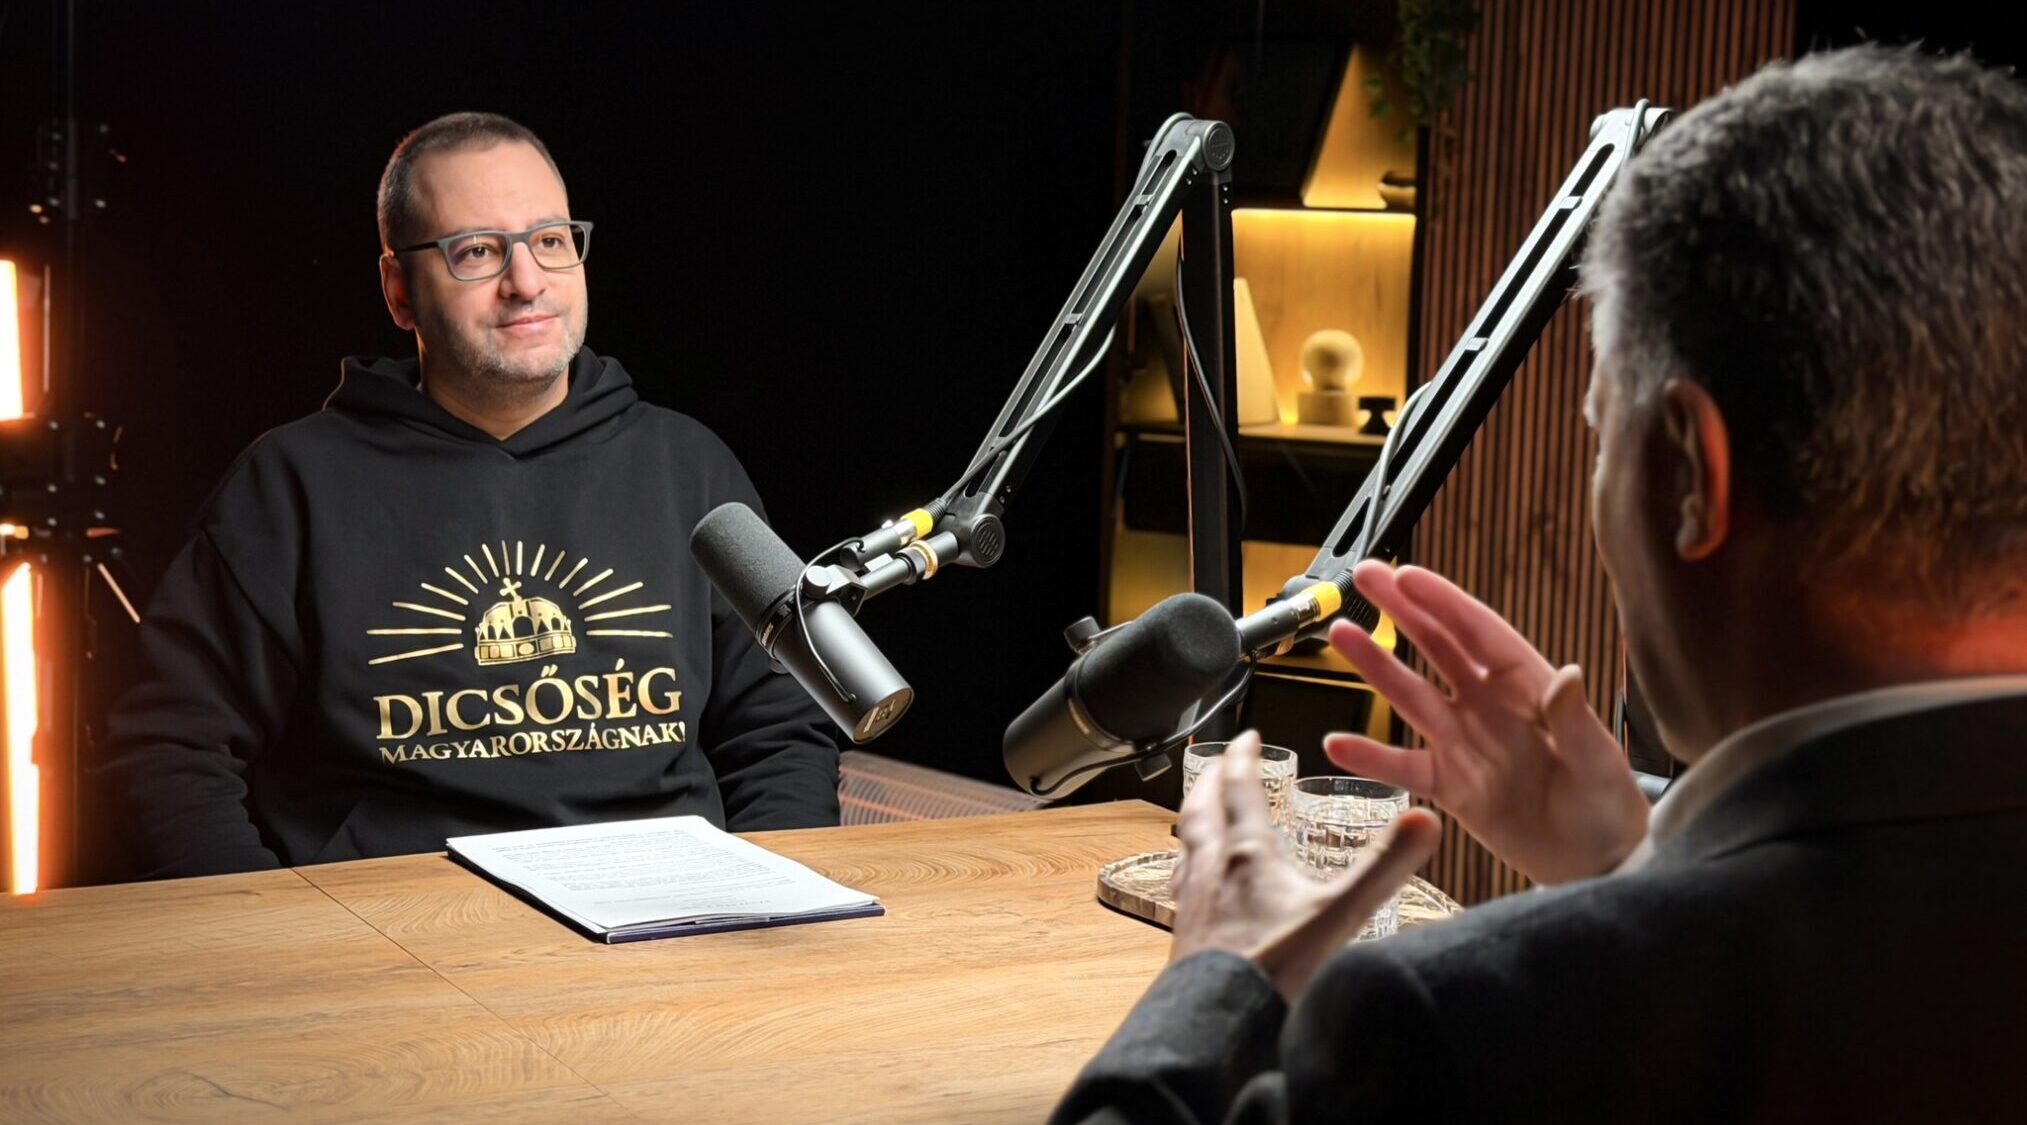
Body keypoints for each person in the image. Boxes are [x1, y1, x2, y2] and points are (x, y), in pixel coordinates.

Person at [1053, 44, 2027, 1123]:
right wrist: (1632, 866)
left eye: (1601, 434)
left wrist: (1219, 975)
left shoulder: (1455, 1025)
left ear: (1689, 475)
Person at [100, 113, 839, 878]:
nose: (527, 283)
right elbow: (167, 751)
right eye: (477, 251)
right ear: (399, 292)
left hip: (672, 917)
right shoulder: (289, 488)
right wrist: (276, 929)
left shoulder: (690, 467)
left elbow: (783, 728)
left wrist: (768, 903)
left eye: (549, 240)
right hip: (396, 933)